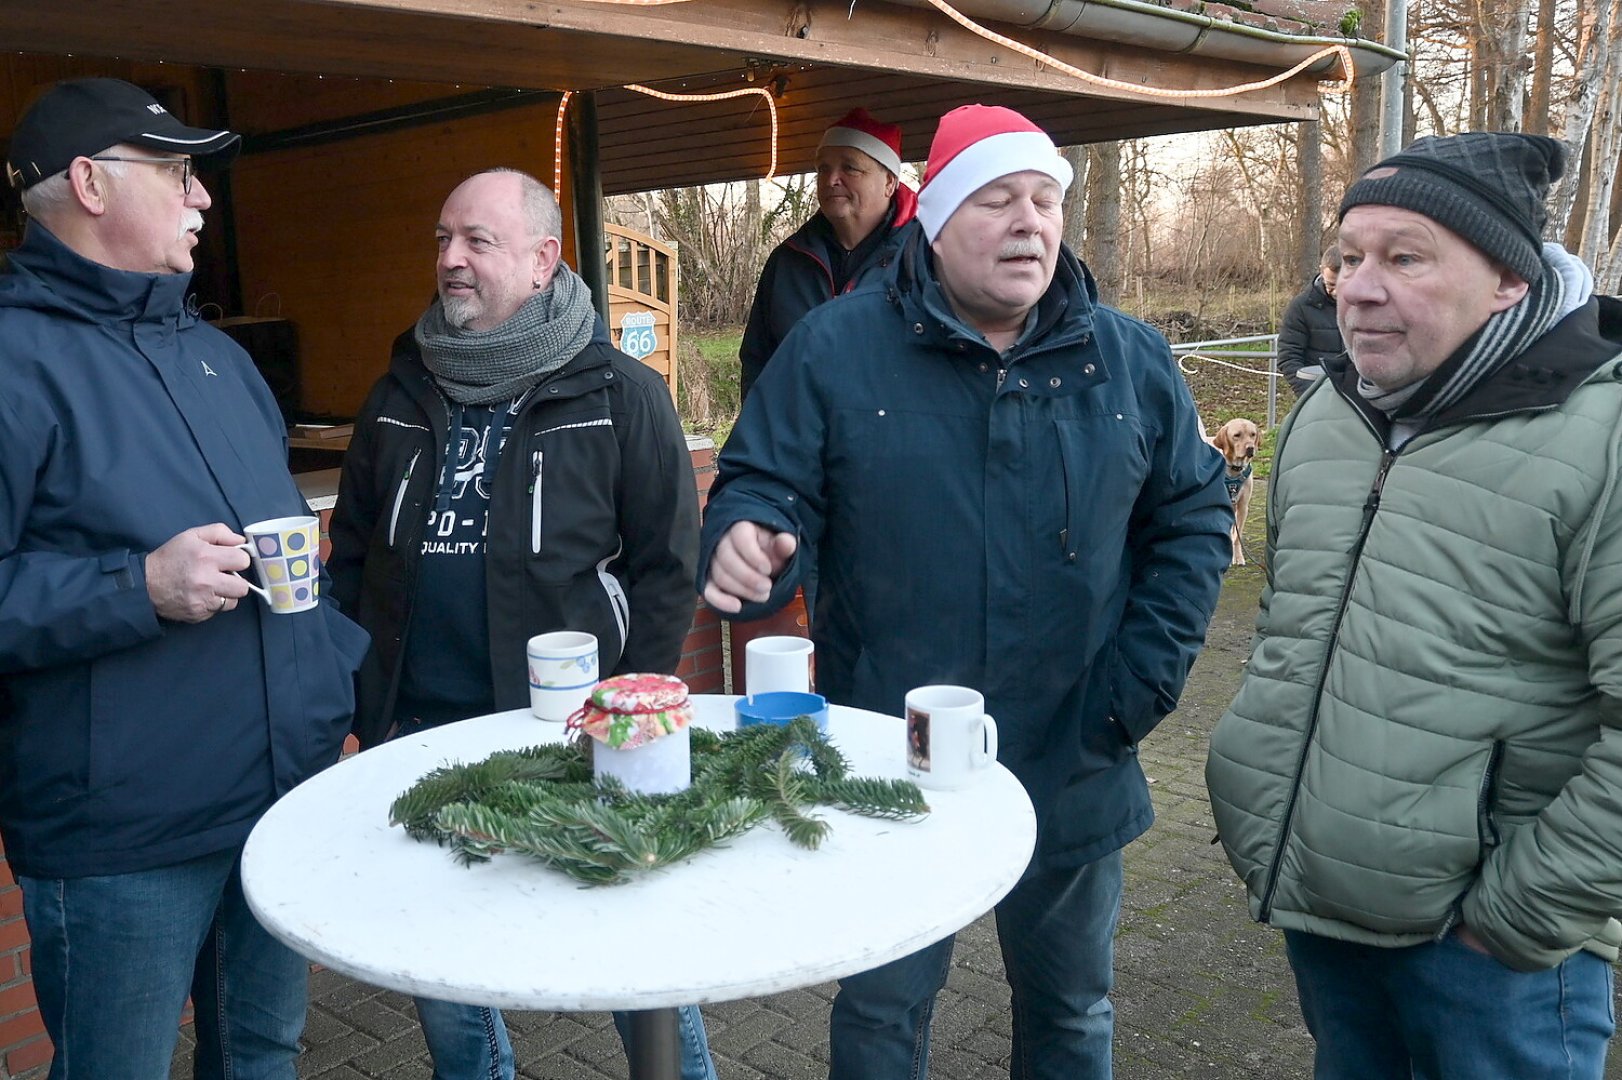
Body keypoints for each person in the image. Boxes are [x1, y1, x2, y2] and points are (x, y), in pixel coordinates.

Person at [701, 104, 1232, 1080]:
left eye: (1045, 199)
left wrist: (1135, 691)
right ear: (937, 221)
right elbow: (760, 477)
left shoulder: (1127, 361)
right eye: (997, 200)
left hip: (1075, 746)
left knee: (1071, 1011)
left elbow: (1194, 517)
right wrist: (745, 529)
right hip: (889, 753)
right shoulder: (833, 348)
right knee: (880, 1011)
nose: (1029, 221)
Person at [1206, 132, 1622, 1079]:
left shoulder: (1602, 437)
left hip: (1494, 957)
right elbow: (1286, 625)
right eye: (1348, 258)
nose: (1356, 289)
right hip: (1321, 906)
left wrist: (1518, 916)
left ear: (1509, 280)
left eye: (1404, 258)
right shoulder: (1328, 417)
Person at [0, 77, 371, 1078]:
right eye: (175, 172)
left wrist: (329, 674)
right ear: (89, 184)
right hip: (127, 834)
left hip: (278, 804)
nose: (203, 196)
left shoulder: (219, 357)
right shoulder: (13, 361)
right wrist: (138, 588)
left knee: (261, 1055)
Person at [326, 168, 713, 1080]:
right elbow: (351, 557)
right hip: (419, 730)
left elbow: (667, 570)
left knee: (625, 939)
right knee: (443, 957)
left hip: (569, 734)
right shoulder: (397, 392)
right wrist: (355, 695)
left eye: (477, 240)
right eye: (442, 238)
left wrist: (627, 716)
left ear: (543, 260)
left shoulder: (619, 394)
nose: (450, 259)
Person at [738, 107, 917, 400]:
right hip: (798, 428)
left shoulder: (925, 259)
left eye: (850, 167)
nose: (832, 178)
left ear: (889, 182)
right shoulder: (788, 262)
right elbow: (758, 362)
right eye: (823, 168)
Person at [1275, 245, 1344, 396]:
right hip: (1317, 392)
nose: (1336, 292)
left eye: (1342, 284)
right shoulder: (1301, 307)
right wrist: (1310, 394)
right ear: (1321, 271)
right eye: (1330, 285)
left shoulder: (1367, 305)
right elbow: (1288, 356)